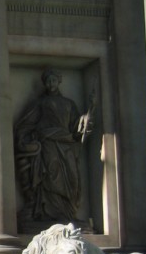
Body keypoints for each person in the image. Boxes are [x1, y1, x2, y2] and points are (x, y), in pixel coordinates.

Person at [14, 68, 93, 227]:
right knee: (51, 177)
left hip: (67, 145)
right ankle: (49, 215)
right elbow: (26, 124)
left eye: (54, 80)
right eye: (48, 81)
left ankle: (68, 214)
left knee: (72, 180)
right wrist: (26, 140)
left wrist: (85, 121)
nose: (51, 84)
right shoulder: (40, 103)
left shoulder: (69, 104)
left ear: (59, 81)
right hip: (48, 145)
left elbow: (75, 127)